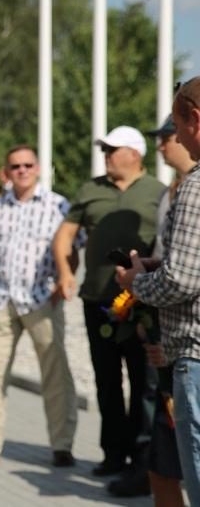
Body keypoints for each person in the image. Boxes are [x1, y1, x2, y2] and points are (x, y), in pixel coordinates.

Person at [53, 125, 165, 477]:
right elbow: (66, 234)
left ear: (134, 153)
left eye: (112, 150)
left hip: (143, 303)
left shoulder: (159, 193)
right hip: (97, 300)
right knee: (106, 379)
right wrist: (65, 271)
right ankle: (113, 454)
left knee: (143, 380)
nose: (105, 156)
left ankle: (140, 455)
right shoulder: (90, 189)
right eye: (104, 150)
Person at [0, 145, 78, 468]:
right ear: (7, 171)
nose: (22, 170)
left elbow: (73, 249)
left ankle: (62, 445)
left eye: (28, 165)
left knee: (56, 373)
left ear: (39, 168)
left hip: (43, 299)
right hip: (3, 300)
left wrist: (63, 282)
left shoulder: (58, 206)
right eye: (16, 166)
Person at [116, 77, 200, 505]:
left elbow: (182, 281)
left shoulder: (195, 189)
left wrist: (136, 283)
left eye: (176, 126)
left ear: (196, 121)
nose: (175, 137)